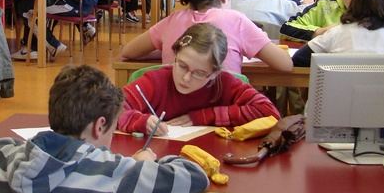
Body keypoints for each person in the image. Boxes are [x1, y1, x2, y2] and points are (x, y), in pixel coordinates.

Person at [0, 64, 210, 193]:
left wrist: (15, 148)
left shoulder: (1, 164)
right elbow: (195, 176)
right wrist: (146, 164)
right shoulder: (115, 175)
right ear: (100, 126)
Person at [121, 0, 293, 74]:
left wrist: (170, 47)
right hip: (221, 111)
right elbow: (285, 64)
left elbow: (128, 51)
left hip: (177, 110)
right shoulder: (236, 20)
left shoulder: (172, 21)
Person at [119, 24, 280, 135]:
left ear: (215, 73)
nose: (186, 78)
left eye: (199, 73)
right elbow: (109, 109)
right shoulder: (156, 81)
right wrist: (140, 121)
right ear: (175, 56)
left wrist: (204, 116)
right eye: (182, 65)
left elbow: (269, 113)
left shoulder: (225, 83)